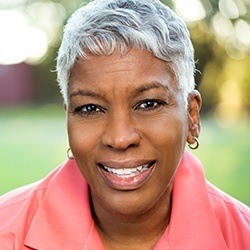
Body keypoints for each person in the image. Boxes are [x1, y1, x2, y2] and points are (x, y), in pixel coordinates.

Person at [0, 0, 249, 249]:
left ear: (192, 116)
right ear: (69, 118)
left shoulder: (242, 236)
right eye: (90, 108)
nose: (120, 138)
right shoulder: (6, 230)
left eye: (148, 104)